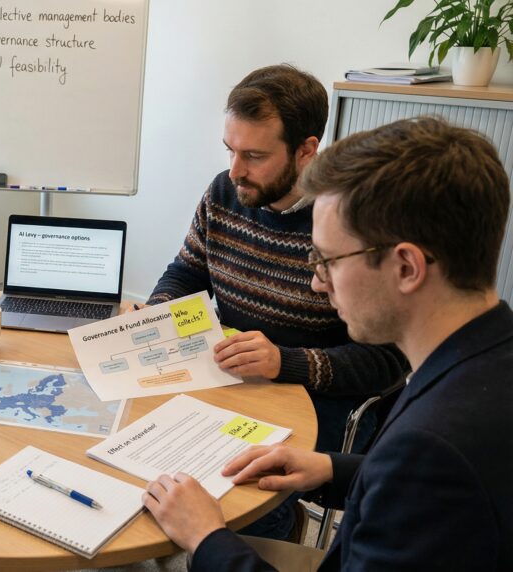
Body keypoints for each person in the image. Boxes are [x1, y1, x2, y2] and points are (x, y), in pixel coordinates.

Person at [143, 116, 513, 570]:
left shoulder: (432, 449)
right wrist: (331, 470)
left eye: (328, 260)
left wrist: (207, 538)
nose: (318, 284)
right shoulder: (487, 356)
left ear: (407, 268)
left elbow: (419, 475)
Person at [143, 64, 408, 540]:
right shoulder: (226, 192)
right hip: (237, 381)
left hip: (321, 403)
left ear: (307, 149)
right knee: (144, 436)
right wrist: (160, 308)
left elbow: (388, 361)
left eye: (254, 155)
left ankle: (276, 529)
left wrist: (284, 362)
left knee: (228, 478)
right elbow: (187, 271)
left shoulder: (352, 220)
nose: (235, 170)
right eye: (230, 150)